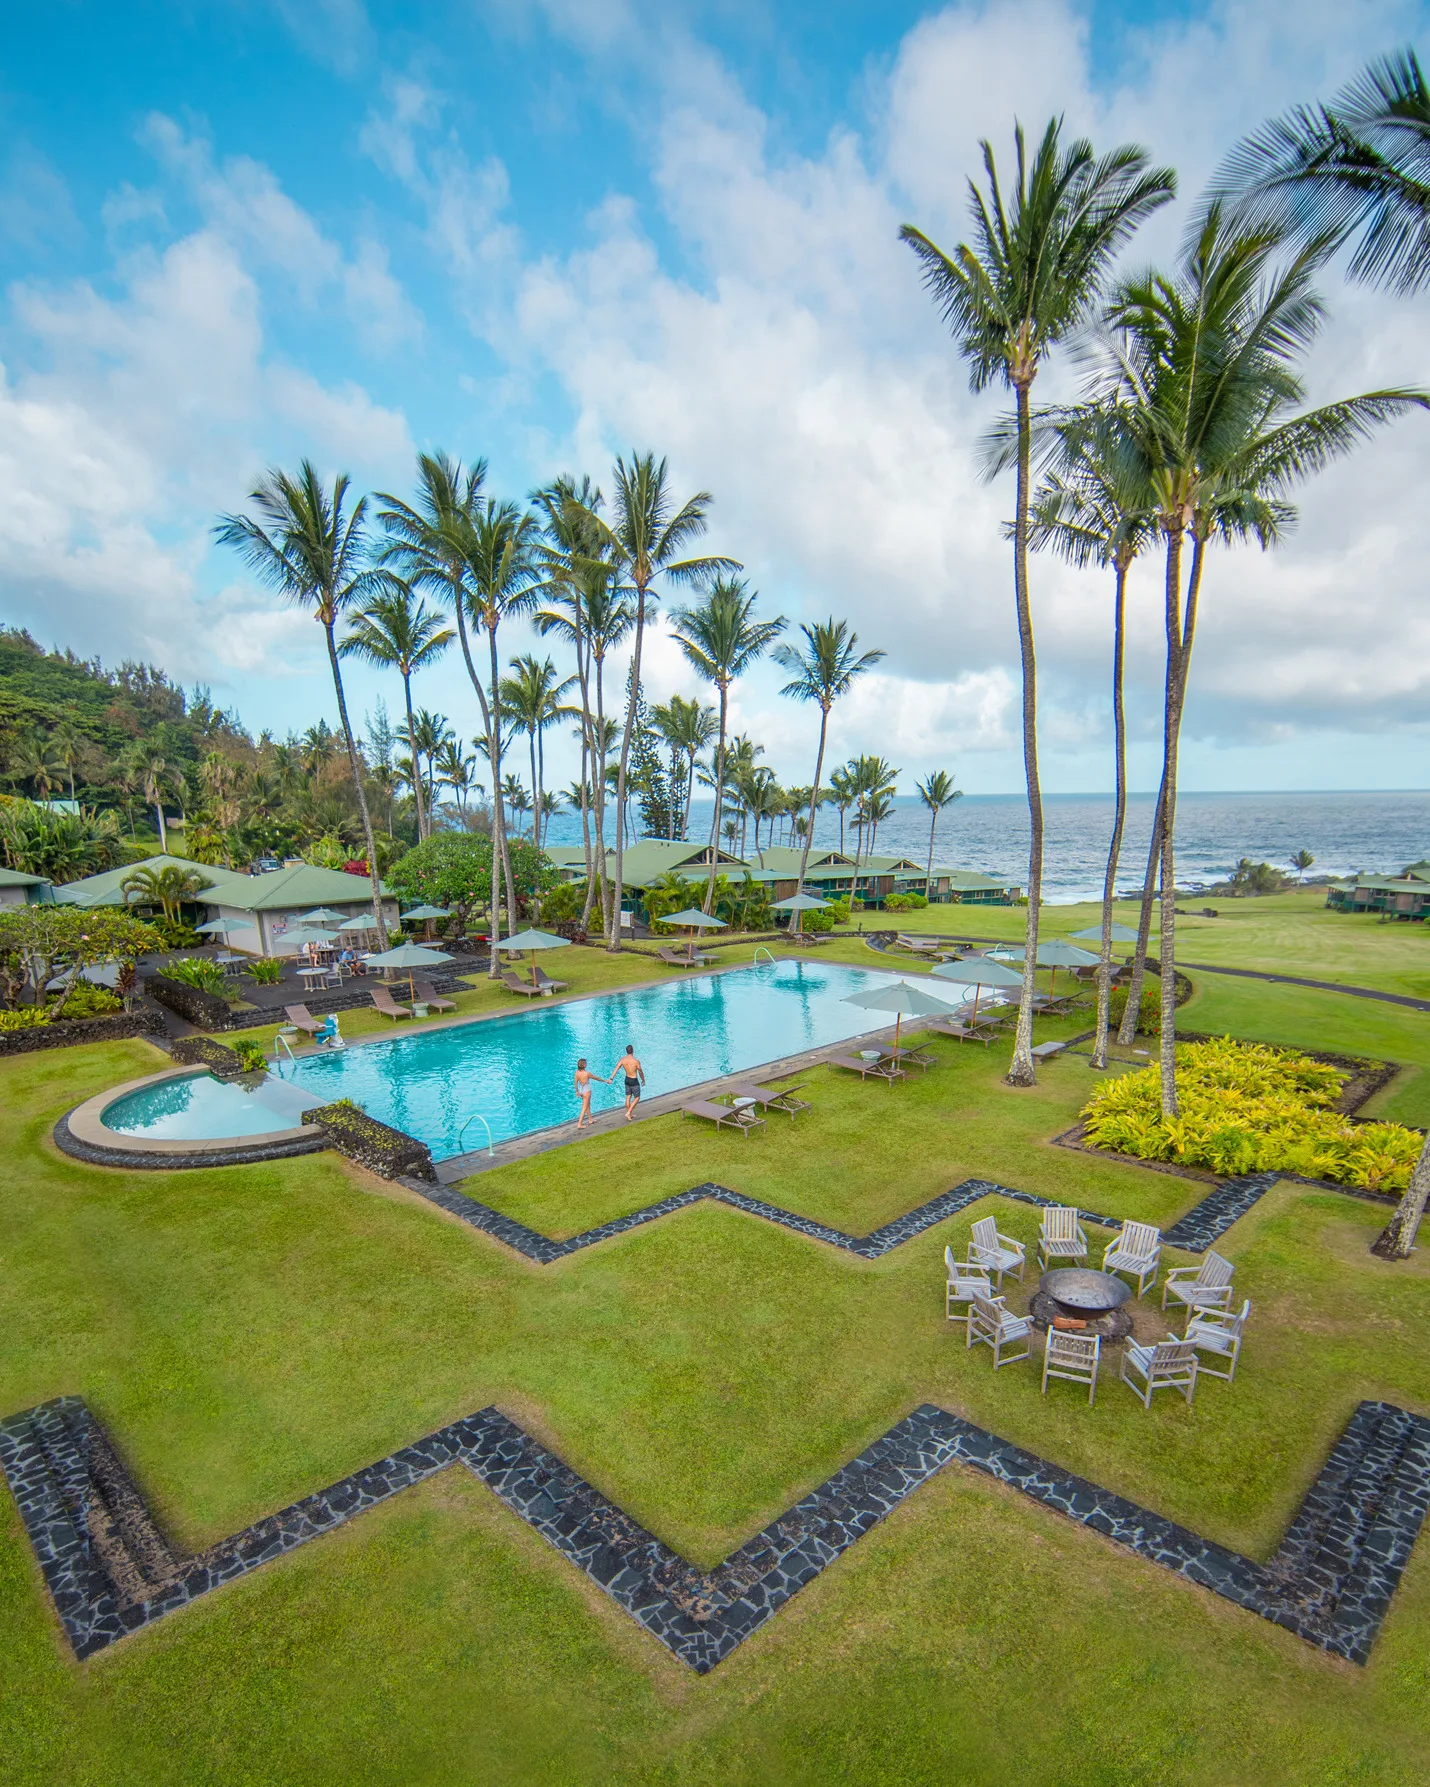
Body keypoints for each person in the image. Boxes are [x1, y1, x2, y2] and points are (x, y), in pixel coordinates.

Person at [612, 1042, 645, 1121]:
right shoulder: (636, 1061)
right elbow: (640, 1071)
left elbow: (616, 1068)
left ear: (626, 1051)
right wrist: (643, 1080)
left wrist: (611, 1078)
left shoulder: (623, 1060)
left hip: (627, 1079)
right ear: (633, 1051)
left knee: (628, 1097)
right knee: (637, 1097)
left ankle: (630, 1114)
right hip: (634, 1080)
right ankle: (628, 1112)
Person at [573, 1057, 609, 1129]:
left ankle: (590, 1120)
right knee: (584, 1107)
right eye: (586, 1063)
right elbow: (597, 1078)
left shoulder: (577, 1073)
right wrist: (605, 1081)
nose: (587, 1064)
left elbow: (575, 1083)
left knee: (587, 1105)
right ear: (584, 1065)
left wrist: (577, 1091)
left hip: (581, 1090)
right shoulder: (587, 1073)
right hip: (587, 1090)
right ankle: (579, 1124)